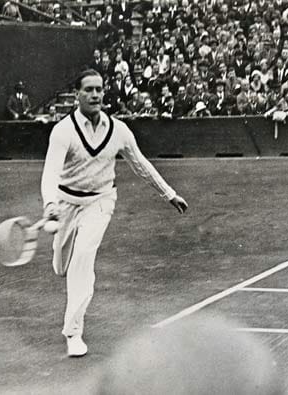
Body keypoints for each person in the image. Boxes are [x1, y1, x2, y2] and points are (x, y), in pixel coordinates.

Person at [40, 69, 188, 357]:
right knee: (62, 265)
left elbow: (141, 165)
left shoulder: (119, 130)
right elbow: (50, 174)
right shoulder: (62, 132)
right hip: (66, 204)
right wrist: (50, 205)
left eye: (99, 89)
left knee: (83, 258)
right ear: (77, 95)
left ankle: (73, 332)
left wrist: (169, 193)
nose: (95, 95)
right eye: (89, 90)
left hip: (101, 202)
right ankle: (61, 255)